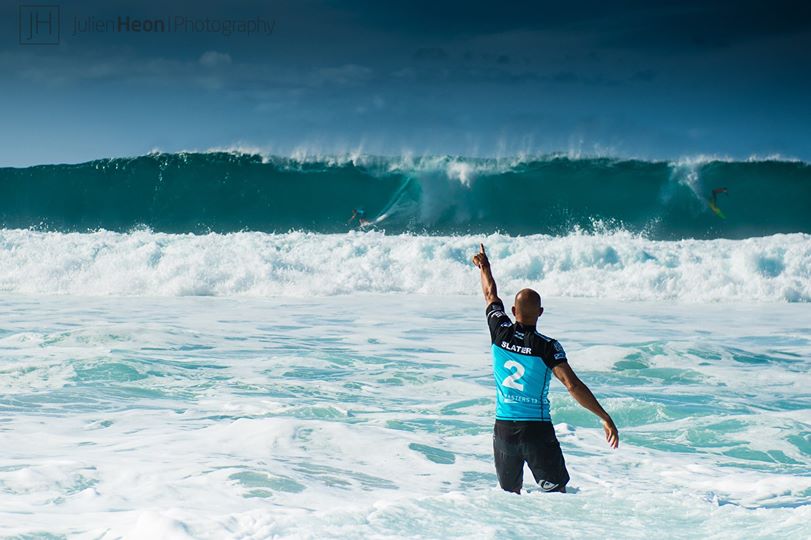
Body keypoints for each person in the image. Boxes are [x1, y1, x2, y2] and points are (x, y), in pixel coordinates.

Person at [471, 243, 619, 494]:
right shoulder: (548, 347)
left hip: (504, 430)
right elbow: (572, 385)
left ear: (514, 311)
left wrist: (484, 266)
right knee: (557, 495)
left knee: (510, 499)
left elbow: (490, 295)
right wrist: (604, 417)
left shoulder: (498, 330)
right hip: (536, 431)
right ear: (540, 313)